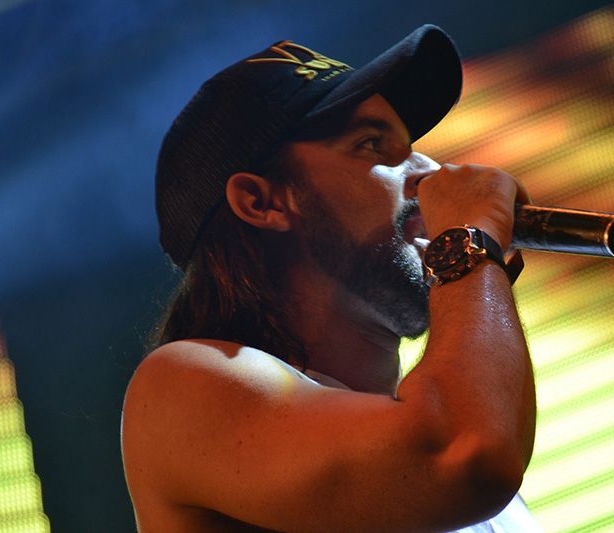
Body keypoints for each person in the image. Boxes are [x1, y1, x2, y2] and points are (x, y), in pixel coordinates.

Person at [122, 25, 540, 532]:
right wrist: (470, 239)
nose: (429, 170)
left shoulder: (438, 433)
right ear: (262, 202)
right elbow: (462, 454)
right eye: (371, 143)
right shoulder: (184, 384)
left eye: (411, 144)